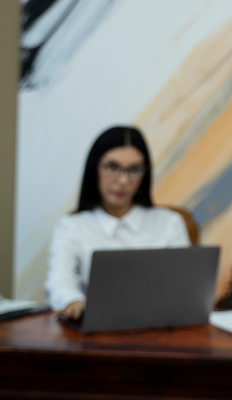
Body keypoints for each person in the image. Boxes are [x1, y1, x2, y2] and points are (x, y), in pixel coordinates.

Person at [45, 125, 190, 320]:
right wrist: (73, 301)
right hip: (95, 330)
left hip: (161, 327)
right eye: (112, 167)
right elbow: (59, 280)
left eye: (134, 170)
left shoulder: (170, 222)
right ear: (94, 168)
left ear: (144, 175)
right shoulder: (71, 226)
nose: (122, 180)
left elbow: (186, 286)